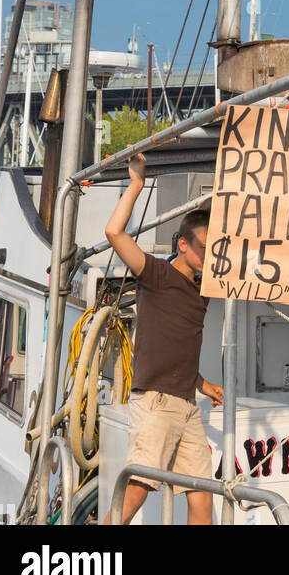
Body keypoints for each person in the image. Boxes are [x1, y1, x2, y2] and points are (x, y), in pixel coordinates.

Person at [102, 152, 223, 525]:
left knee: (202, 495)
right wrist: (136, 184)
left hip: (186, 405)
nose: (210, 255)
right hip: (155, 403)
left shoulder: (201, 291)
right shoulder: (155, 274)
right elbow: (114, 233)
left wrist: (203, 385)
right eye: (205, 248)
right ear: (183, 245)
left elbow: (178, 345)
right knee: (136, 491)